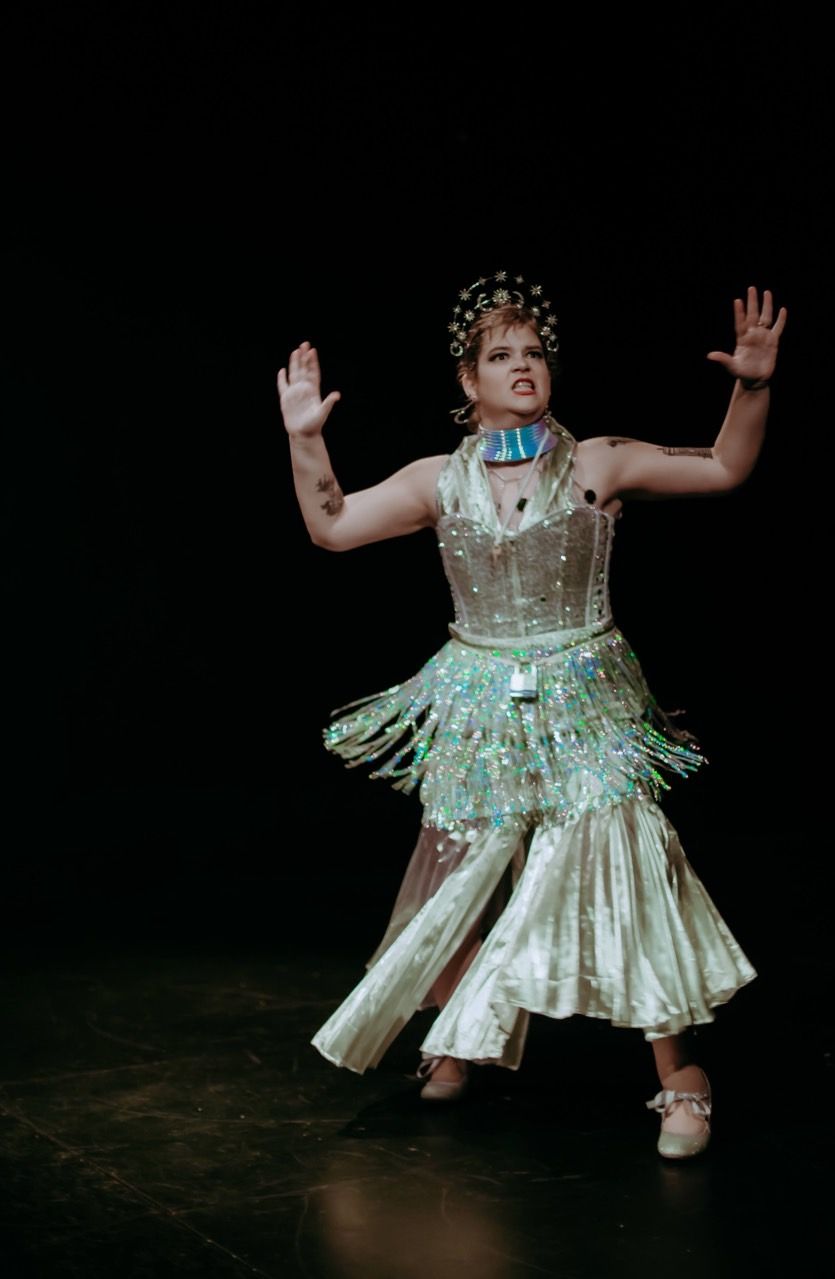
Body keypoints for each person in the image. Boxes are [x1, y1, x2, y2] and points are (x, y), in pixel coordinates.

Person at [277, 275, 786, 1159]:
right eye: (501, 355)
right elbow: (333, 526)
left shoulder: (596, 462)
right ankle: (456, 1038)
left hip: (585, 693)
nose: (522, 366)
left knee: (622, 860)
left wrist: (751, 386)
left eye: (534, 353)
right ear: (467, 380)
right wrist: (305, 439)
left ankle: (680, 1074)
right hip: (478, 696)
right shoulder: (438, 479)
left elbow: (723, 467)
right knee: (461, 869)